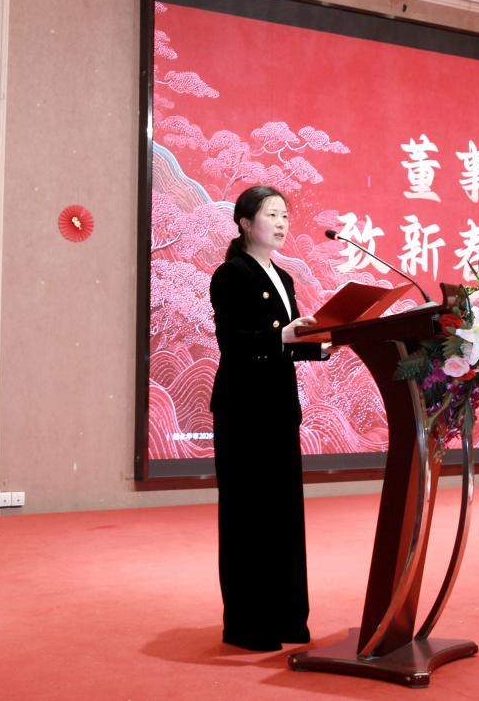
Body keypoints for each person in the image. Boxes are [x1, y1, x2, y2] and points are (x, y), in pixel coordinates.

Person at [209, 185, 330, 652]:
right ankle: (248, 626)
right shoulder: (231, 274)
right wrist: (283, 336)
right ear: (244, 223)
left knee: (283, 515)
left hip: (279, 409)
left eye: (284, 215)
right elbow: (234, 342)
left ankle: (286, 619)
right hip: (243, 411)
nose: (281, 223)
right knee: (248, 515)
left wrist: (325, 342)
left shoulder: (283, 276)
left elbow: (290, 343)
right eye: (271, 214)